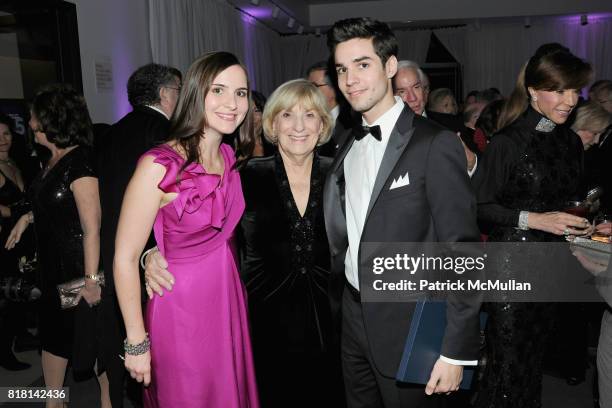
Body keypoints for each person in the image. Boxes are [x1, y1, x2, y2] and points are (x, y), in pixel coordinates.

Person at [325, 17, 482, 407]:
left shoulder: (435, 143)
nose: (350, 80)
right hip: (353, 318)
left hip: (410, 326)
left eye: (363, 65)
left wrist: (455, 350)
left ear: (390, 66)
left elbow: (462, 252)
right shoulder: (347, 143)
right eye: (342, 69)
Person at [113, 51, 258, 408]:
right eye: (218, 90)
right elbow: (124, 257)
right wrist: (136, 342)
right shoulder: (159, 164)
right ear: (195, 94)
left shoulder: (229, 157)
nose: (232, 103)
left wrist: (153, 251)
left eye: (241, 93)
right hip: (180, 311)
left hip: (226, 301)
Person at [472, 44, 593, 408]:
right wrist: (534, 219)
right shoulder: (508, 143)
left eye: (574, 90)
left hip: (551, 267)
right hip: (510, 264)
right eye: (558, 90)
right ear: (532, 91)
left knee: (533, 361)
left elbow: (568, 199)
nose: (570, 100)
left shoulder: (570, 142)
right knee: (508, 364)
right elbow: (479, 207)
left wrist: (581, 222)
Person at [240, 79, 344, 407]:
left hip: (332, 321)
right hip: (265, 321)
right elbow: (206, 232)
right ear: (272, 124)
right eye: (287, 115)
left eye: (310, 115)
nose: (299, 126)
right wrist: (154, 253)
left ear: (323, 124)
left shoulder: (342, 175)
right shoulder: (244, 177)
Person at [5, 84, 108, 408]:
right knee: (57, 339)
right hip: (54, 271)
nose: (29, 120)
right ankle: (54, 402)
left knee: (86, 343)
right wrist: (28, 218)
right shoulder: (53, 160)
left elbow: (92, 227)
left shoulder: (79, 161)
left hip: (78, 272)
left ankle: (105, 401)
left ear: (49, 120)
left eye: (34, 114)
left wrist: (91, 282)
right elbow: (52, 204)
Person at [97, 62, 181, 408]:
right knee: (158, 349)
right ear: (164, 94)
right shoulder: (166, 137)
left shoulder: (109, 133)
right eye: (179, 90)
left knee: (122, 340)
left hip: (110, 249)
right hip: (153, 257)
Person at [0, 113, 29, 371]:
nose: (2, 140)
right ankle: (4, 350)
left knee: (19, 291)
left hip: (19, 239)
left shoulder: (12, 163)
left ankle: (19, 337)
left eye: (6, 133)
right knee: (6, 297)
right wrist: (22, 213)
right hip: (4, 241)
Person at [306, 60, 355, 155]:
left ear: (334, 88)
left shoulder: (352, 123)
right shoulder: (303, 122)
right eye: (307, 87)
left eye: (314, 86)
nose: (308, 91)